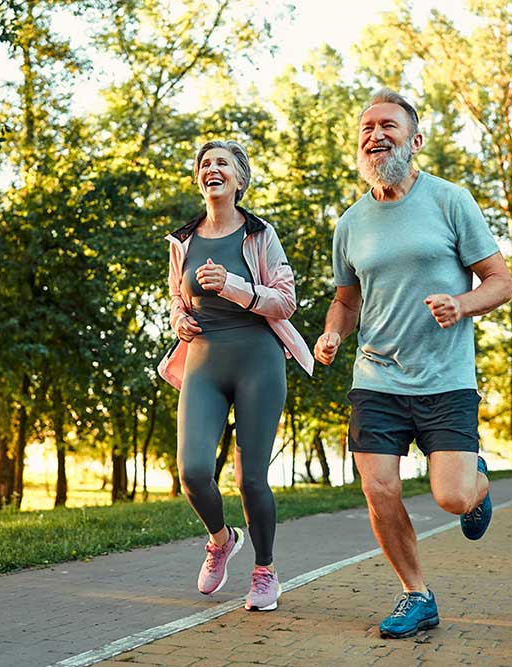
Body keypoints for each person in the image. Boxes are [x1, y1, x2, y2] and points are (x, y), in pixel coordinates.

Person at [314, 89, 512, 638]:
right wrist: (332, 333)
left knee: (451, 497)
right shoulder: (350, 222)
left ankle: (477, 484)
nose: (375, 135)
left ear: (415, 140)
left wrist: (462, 303)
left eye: (388, 126)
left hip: (445, 378)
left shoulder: (451, 201)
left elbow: (501, 282)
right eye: (366, 128)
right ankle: (416, 593)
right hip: (376, 375)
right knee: (379, 489)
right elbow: (347, 300)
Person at [158, 139, 314, 612]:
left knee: (251, 480)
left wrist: (234, 287)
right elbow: (175, 301)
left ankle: (265, 570)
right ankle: (222, 539)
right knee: (193, 473)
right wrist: (178, 320)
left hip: (258, 361)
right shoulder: (182, 242)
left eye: (222, 163)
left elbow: (285, 301)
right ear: (198, 179)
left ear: (239, 180)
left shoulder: (261, 235)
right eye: (205, 164)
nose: (212, 169)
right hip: (204, 361)